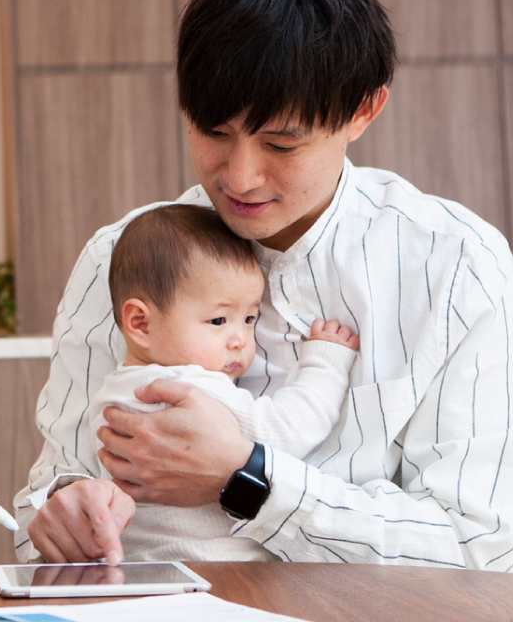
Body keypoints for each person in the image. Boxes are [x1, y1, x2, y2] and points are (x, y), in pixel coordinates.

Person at [16, 0, 513, 570]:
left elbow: (478, 543)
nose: (240, 178)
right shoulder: (122, 256)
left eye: (282, 144)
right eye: (214, 132)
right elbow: (42, 504)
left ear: (363, 110)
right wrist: (65, 513)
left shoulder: (456, 266)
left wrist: (248, 480)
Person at [86, 204, 359, 560]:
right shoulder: (187, 385)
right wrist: (326, 361)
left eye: (249, 318)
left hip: (144, 565)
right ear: (140, 323)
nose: (240, 340)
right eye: (218, 321)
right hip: (218, 569)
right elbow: (291, 430)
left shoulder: (110, 394)